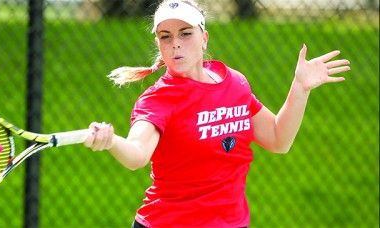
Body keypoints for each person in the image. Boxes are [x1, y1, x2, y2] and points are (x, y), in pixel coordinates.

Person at [83, 0, 351, 227]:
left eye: (185, 33)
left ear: (204, 38)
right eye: (166, 36)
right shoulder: (158, 98)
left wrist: (300, 88)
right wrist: (112, 140)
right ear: (159, 44)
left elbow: (279, 139)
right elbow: (137, 154)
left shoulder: (233, 82)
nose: (175, 43)